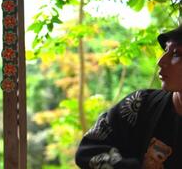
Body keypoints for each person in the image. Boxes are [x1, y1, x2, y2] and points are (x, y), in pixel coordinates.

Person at [75, 25, 182, 168]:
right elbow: (88, 150)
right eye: (166, 51)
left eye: (176, 54)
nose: (161, 61)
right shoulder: (140, 103)